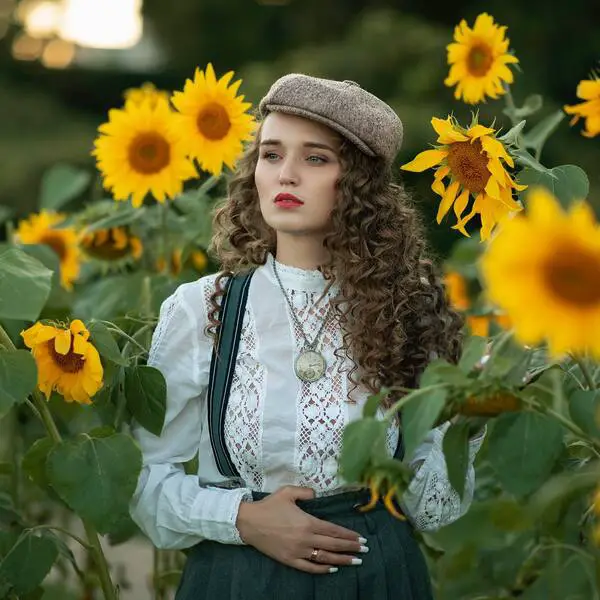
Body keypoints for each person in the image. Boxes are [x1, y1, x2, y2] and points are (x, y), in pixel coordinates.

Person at [129, 74, 486, 599]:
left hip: (377, 575)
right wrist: (243, 519)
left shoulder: (405, 311)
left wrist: (470, 424)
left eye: (315, 159)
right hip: (239, 579)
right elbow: (143, 480)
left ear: (359, 185)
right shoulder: (204, 309)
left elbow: (429, 508)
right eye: (271, 155)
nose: (285, 175)